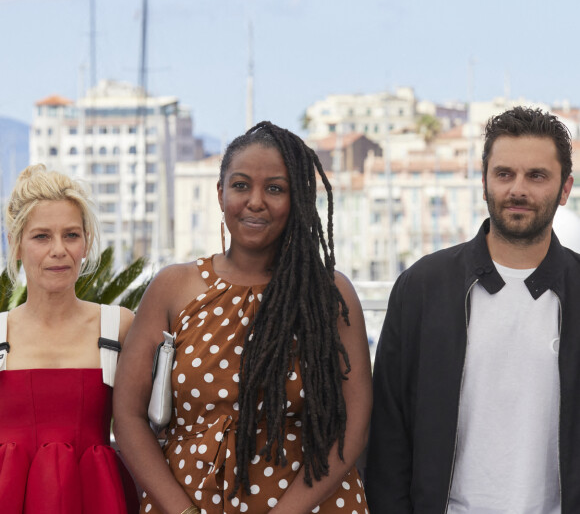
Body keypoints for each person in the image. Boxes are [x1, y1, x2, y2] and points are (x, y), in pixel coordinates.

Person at [113, 121, 372, 514]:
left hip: (310, 504)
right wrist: (181, 511)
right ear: (220, 194)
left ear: (298, 198)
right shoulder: (173, 287)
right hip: (189, 502)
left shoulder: (328, 294)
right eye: (240, 185)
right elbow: (128, 416)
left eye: (274, 188)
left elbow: (353, 424)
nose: (255, 201)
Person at [365, 106, 580, 513]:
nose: (518, 189)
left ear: (565, 189)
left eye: (537, 176)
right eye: (504, 174)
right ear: (484, 183)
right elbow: (388, 438)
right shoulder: (422, 288)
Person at [0, 164, 138, 513]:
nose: (59, 249)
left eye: (71, 235)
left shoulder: (118, 326)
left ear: (86, 242)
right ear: (16, 245)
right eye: (42, 236)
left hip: (98, 499)